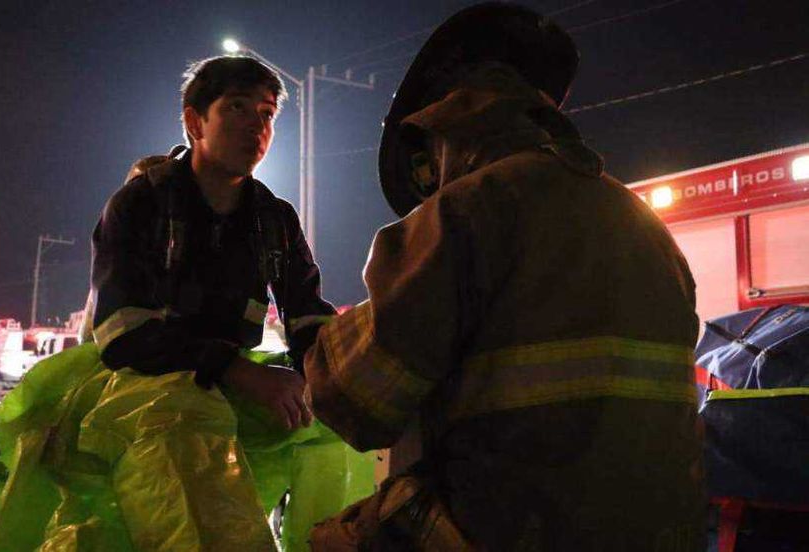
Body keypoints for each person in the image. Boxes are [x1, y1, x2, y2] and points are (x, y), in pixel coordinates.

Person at [305, 3, 704, 550]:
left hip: (516, 529)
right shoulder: (645, 227)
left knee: (328, 539)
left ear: (448, 129)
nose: (430, 182)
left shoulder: (467, 212)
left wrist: (314, 345)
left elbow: (355, 403)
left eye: (426, 163)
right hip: (661, 534)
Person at [90, 55, 336, 430]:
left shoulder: (274, 218)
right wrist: (240, 372)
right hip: (140, 399)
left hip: (226, 389)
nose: (256, 124)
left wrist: (327, 373)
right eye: (237, 107)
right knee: (176, 439)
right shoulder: (140, 204)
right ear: (194, 122)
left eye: (267, 114)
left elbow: (307, 317)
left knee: (330, 425)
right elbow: (124, 335)